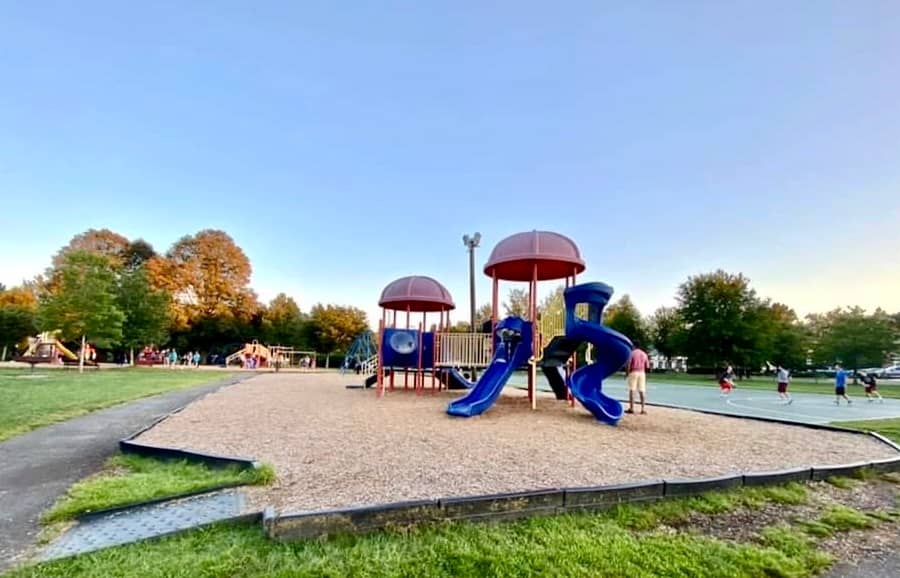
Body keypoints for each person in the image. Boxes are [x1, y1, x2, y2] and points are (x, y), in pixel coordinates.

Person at [625, 345, 650, 414]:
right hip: (642, 373)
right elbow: (647, 366)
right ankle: (643, 409)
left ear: (634, 346)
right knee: (642, 390)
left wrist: (627, 373)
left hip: (633, 372)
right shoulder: (644, 354)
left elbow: (629, 364)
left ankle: (632, 408)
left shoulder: (632, 353)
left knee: (632, 390)